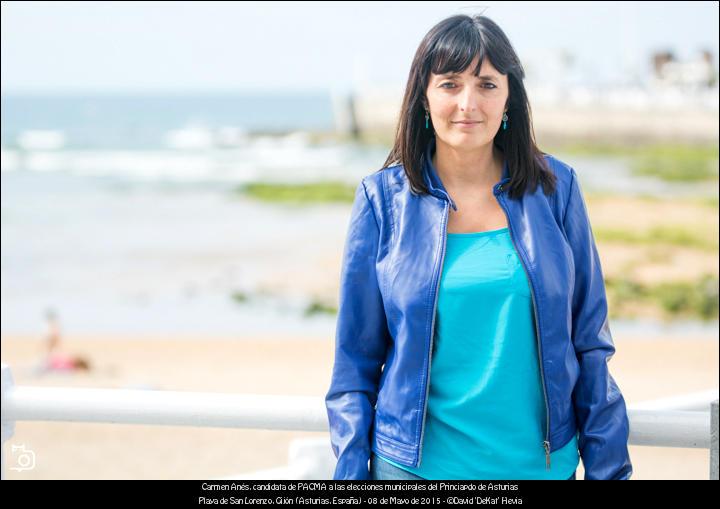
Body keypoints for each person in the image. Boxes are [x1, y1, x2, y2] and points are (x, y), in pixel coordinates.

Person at [325, 13, 632, 481]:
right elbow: (354, 368)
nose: (468, 103)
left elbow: (590, 345)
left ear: (509, 97)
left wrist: (610, 471)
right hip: (414, 472)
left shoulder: (557, 190)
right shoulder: (381, 201)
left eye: (486, 84)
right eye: (450, 83)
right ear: (423, 97)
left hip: (543, 468)